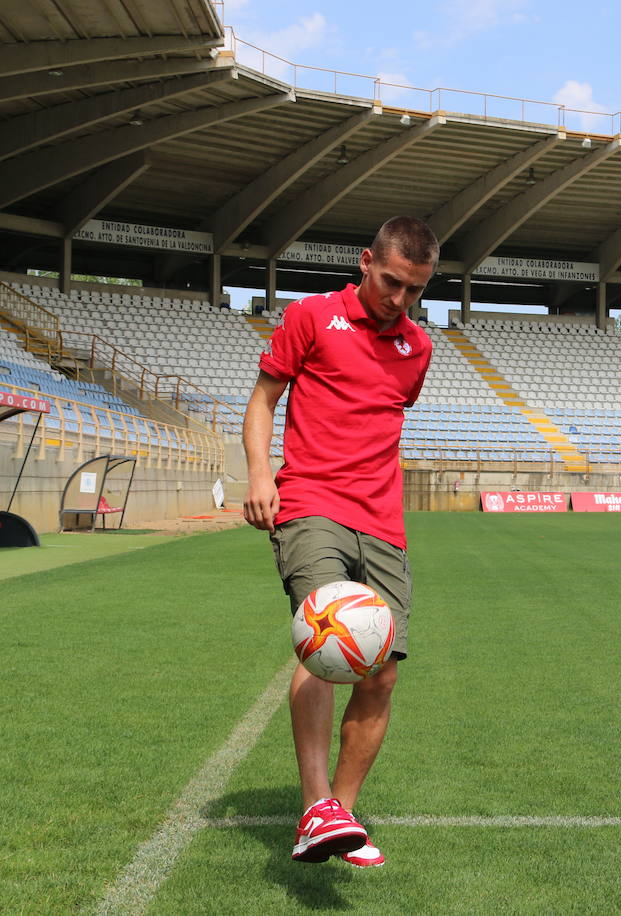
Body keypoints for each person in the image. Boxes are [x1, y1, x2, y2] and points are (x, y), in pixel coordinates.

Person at [242, 215, 438, 869]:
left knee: (379, 675)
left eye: (415, 290)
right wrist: (257, 473)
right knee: (325, 638)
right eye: (391, 283)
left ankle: (343, 816)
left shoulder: (418, 350)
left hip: (382, 520)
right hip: (310, 504)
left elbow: (379, 418)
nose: (400, 300)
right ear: (365, 262)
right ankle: (315, 806)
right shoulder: (310, 318)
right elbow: (265, 398)